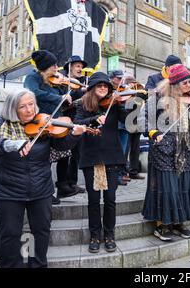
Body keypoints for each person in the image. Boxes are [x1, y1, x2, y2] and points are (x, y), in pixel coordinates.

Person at [0, 90, 86, 268]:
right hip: (8, 191)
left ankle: (36, 264)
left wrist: (74, 135)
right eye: (22, 106)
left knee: (39, 233)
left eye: (31, 105)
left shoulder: (44, 123)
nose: (29, 110)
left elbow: (61, 145)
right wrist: (8, 144)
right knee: (10, 235)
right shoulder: (0, 123)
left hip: (40, 189)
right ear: (13, 109)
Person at [142, 64, 190, 241]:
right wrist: (155, 133)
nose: (189, 86)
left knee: (183, 187)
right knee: (166, 188)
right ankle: (161, 225)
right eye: (186, 83)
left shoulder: (188, 100)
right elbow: (143, 120)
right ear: (174, 84)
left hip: (184, 151)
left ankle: (178, 223)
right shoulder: (157, 98)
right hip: (164, 151)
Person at [74, 72, 127, 253]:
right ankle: (95, 235)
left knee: (110, 199)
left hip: (111, 156)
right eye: (100, 85)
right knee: (94, 200)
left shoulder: (114, 103)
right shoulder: (83, 104)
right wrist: (94, 119)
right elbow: (77, 123)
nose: (104, 88)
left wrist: (122, 104)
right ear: (92, 88)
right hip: (92, 157)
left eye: (106, 86)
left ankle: (109, 234)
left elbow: (127, 122)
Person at [24, 50, 80, 203]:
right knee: (44, 161)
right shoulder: (33, 77)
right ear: (45, 66)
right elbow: (33, 93)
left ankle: (62, 186)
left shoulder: (52, 80)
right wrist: (57, 97)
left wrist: (74, 92)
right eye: (53, 65)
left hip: (55, 123)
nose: (57, 68)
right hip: (41, 124)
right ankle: (45, 194)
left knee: (64, 154)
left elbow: (65, 97)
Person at [56, 55, 89, 195]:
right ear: (69, 66)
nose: (80, 69)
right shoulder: (61, 81)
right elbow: (65, 101)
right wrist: (79, 92)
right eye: (77, 66)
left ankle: (72, 183)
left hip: (77, 119)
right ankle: (62, 183)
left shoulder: (81, 83)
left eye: (81, 67)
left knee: (76, 153)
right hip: (64, 120)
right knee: (64, 153)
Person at [110, 70, 131, 185]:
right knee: (114, 151)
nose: (120, 81)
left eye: (122, 79)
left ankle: (119, 175)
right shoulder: (107, 88)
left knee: (122, 152)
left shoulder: (125, 89)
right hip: (113, 125)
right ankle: (114, 176)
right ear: (112, 78)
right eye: (118, 78)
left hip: (124, 124)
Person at [122, 74, 145, 180]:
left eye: (134, 83)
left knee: (135, 149)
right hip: (126, 123)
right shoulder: (123, 92)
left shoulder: (138, 92)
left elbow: (142, 100)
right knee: (125, 149)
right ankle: (123, 172)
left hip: (136, 124)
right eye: (130, 83)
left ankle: (133, 171)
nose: (133, 85)